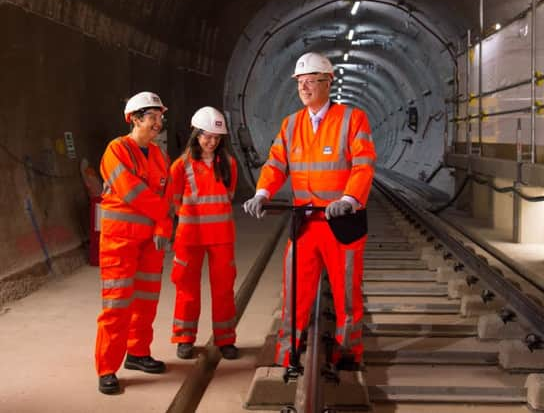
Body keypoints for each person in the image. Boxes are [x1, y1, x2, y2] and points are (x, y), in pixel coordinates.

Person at [243, 52, 376, 370]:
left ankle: (348, 352)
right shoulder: (291, 124)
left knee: (347, 293)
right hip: (305, 222)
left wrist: (349, 199)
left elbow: (363, 163)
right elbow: (276, 164)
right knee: (295, 292)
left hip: (342, 222)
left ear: (328, 82)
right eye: (300, 82)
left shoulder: (351, 119)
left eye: (311, 81)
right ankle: (288, 351)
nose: (304, 88)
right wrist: (262, 192)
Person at [95, 91, 173, 395]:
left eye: (160, 117)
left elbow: (167, 197)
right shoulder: (116, 150)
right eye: (152, 117)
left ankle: (137, 354)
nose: (158, 123)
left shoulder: (159, 156)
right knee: (116, 306)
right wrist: (163, 214)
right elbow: (131, 192)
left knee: (146, 302)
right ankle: (106, 368)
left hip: (150, 243)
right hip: (120, 242)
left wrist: (164, 227)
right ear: (135, 119)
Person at [169, 107, 239, 360]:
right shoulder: (180, 166)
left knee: (223, 290)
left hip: (221, 237)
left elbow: (228, 195)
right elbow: (174, 202)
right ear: (195, 135)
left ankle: (226, 339)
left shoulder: (229, 164)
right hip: (190, 238)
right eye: (207, 136)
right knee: (186, 289)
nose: (211, 142)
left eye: (217, 138)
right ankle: (184, 338)